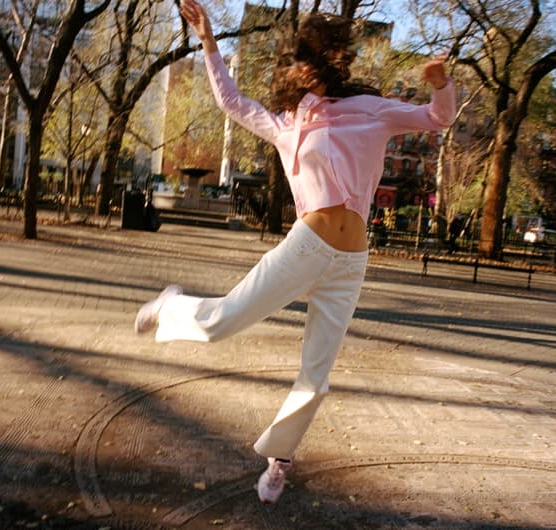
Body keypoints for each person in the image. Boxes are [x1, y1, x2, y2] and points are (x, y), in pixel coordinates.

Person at [135, 0, 455, 504]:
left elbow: (439, 118)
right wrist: (210, 42)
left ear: (330, 59)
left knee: (316, 373)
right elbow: (232, 102)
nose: (304, 66)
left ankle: (278, 461)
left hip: (351, 263)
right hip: (306, 246)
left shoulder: (371, 110)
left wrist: (440, 82)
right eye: (299, 58)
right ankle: (170, 306)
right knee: (222, 323)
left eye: (314, 55)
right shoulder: (286, 124)